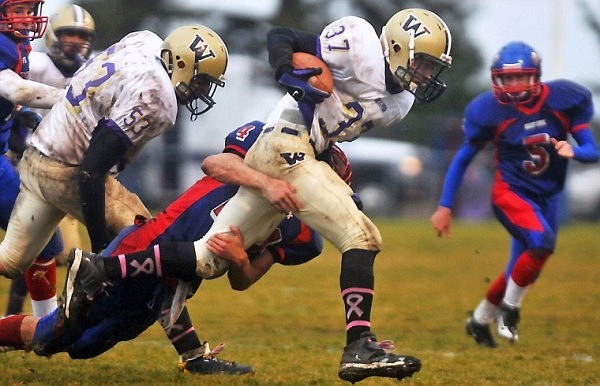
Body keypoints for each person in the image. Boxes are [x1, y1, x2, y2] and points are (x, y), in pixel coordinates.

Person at [66, 8, 453, 383]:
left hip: (298, 150)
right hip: (286, 141)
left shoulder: (401, 104)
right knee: (362, 237)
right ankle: (359, 345)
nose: (425, 74)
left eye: (431, 67)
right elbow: (281, 37)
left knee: (207, 259)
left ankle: (98, 269)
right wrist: (290, 73)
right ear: (398, 48)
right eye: (422, 63)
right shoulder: (358, 41)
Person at [0, 121, 354, 375]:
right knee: (50, 334)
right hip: (153, 242)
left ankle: (193, 356)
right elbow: (215, 164)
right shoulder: (267, 147)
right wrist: (265, 184)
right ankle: (96, 268)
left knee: (82, 346)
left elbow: (242, 280)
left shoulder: (304, 235)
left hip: (180, 276)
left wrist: (241, 259)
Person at [0, 23, 228, 289]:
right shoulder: (158, 98)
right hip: (68, 170)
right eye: (200, 81)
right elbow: (90, 170)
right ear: (179, 64)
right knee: (153, 242)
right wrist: (101, 250)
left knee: (11, 260)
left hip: (37, 157)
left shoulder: (144, 41)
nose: (201, 91)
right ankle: (179, 330)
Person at [430, 41, 599, 348]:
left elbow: (592, 150)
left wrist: (573, 150)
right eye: (507, 79)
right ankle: (509, 311)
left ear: (536, 76)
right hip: (511, 193)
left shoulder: (564, 100)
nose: (513, 84)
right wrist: (445, 205)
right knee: (541, 243)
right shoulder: (489, 111)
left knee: (523, 270)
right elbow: (463, 157)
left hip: (547, 197)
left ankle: (479, 320)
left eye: (520, 77)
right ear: (497, 79)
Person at [4, 4, 96, 317]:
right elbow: (15, 94)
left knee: (43, 243)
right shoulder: (33, 61)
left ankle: (37, 322)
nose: (74, 40)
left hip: (58, 168)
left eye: (81, 35)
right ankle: (34, 320)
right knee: (47, 244)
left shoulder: (91, 69)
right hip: (22, 162)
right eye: (68, 33)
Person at [0, 0, 67, 318]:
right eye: (19, 10)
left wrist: (22, 116)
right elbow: (14, 89)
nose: (28, 18)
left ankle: (46, 325)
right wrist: (72, 98)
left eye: (30, 9)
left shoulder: (20, 45)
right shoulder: (5, 46)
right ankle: (47, 325)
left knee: (43, 237)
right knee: (40, 234)